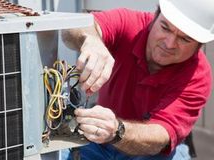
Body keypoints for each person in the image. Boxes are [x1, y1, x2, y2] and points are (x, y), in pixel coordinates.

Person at [61, 0, 214, 159]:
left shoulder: (197, 75)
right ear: (155, 16)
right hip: (98, 142)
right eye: (165, 27)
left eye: (185, 39)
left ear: (199, 45)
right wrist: (91, 40)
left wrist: (116, 131)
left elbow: (161, 136)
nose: (169, 44)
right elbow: (75, 27)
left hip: (149, 151)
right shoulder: (130, 23)